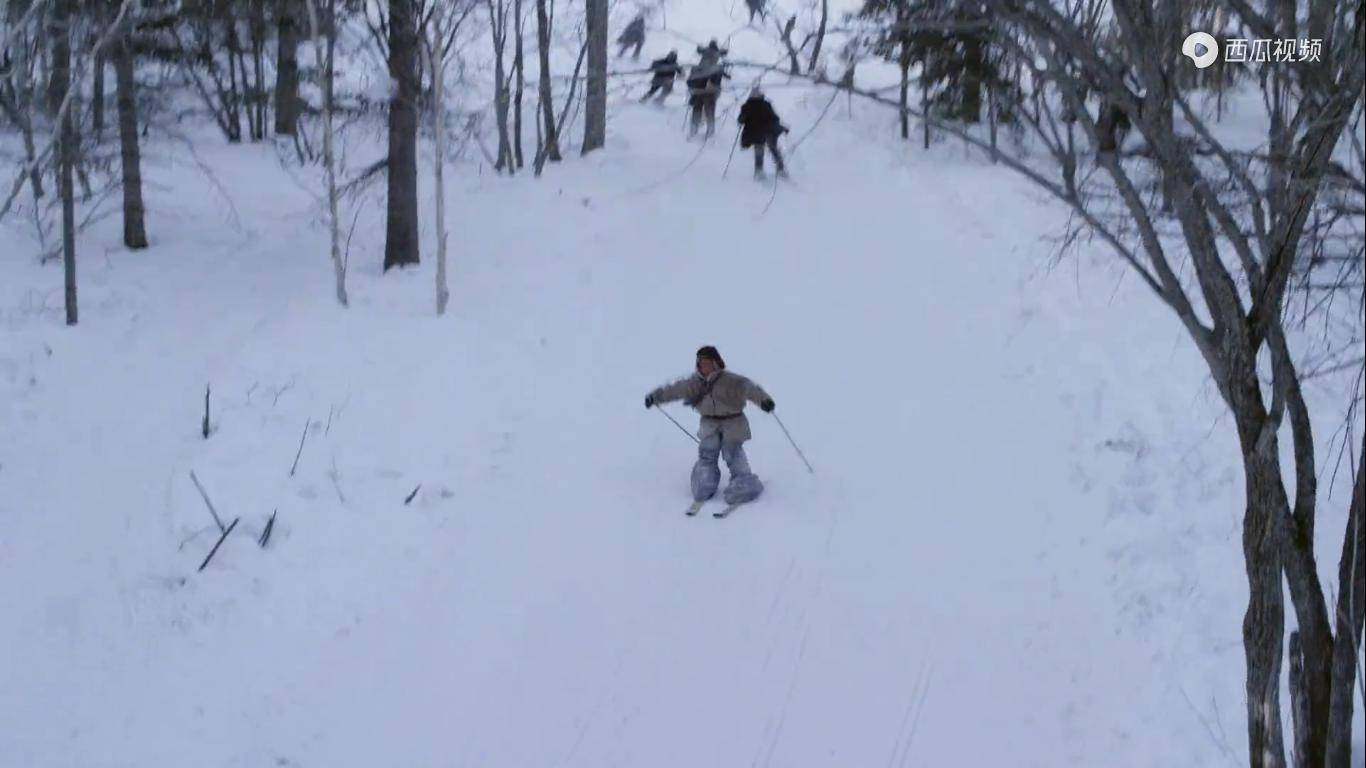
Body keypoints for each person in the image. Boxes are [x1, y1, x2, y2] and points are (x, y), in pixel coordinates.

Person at [645, 346, 775, 505]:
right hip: (709, 423)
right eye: (701, 364)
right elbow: (675, 390)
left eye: (708, 363)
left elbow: (749, 388)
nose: (704, 367)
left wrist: (764, 401)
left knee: (732, 452)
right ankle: (705, 481)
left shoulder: (731, 381)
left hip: (733, 422)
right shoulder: (694, 383)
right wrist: (655, 397)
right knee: (707, 451)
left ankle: (743, 481)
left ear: (716, 363)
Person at [738, 86, 788, 179]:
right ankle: (781, 169)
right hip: (767, 131)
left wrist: (743, 118)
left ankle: (759, 171)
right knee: (773, 149)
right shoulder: (766, 105)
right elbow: (775, 118)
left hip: (754, 133)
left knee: (759, 151)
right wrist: (777, 127)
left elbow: (740, 120)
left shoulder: (746, 106)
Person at [686, 42, 730, 138]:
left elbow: (690, 80)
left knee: (697, 109)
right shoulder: (717, 65)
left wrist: (691, 88)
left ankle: (694, 130)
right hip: (710, 92)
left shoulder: (699, 66)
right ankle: (709, 131)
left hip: (699, 91)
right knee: (709, 111)